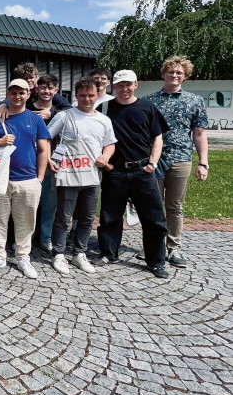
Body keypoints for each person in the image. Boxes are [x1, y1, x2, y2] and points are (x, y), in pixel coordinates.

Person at [96, 70, 170, 278]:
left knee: (154, 218)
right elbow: (95, 136)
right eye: (120, 85)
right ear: (114, 87)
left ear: (136, 85)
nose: (124, 88)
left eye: (128, 84)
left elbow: (158, 137)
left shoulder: (148, 107)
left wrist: (153, 163)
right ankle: (109, 253)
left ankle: (156, 261)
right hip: (115, 171)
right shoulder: (104, 108)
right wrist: (106, 164)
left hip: (143, 171)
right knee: (110, 215)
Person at [0, 78, 51, 279]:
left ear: (28, 94)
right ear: (8, 95)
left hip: (27, 179)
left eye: (21, 93)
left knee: (26, 221)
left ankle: (23, 256)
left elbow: (43, 150)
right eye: (13, 93)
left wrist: (40, 178)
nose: (17, 97)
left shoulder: (35, 119)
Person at [47, 77, 116, 275]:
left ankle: (79, 253)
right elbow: (46, 137)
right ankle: (58, 253)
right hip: (68, 173)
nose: (87, 99)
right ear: (76, 95)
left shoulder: (103, 120)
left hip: (92, 175)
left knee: (87, 217)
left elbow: (110, 143)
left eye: (91, 95)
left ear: (97, 96)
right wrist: (50, 158)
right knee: (63, 216)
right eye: (82, 95)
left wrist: (106, 156)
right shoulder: (65, 116)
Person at [145, 56, 209, 267]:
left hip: (181, 159)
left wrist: (203, 162)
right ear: (163, 74)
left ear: (185, 76)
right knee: (153, 206)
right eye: (170, 72)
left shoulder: (194, 101)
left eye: (179, 73)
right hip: (154, 160)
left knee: (175, 206)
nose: (174, 75)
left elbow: (199, 133)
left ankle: (173, 248)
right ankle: (154, 247)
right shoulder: (149, 101)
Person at [28, 74, 64, 253]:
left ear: (56, 91)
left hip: (51, 164)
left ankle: (46, 238)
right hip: (27, 162)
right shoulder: (26, 108)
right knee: (27, 203)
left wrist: (53, 114)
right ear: (36, 89)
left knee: (49, 204)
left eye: (50, 88)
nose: (46, 91)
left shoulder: (61, 112)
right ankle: (26, 238)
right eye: (43, 87)